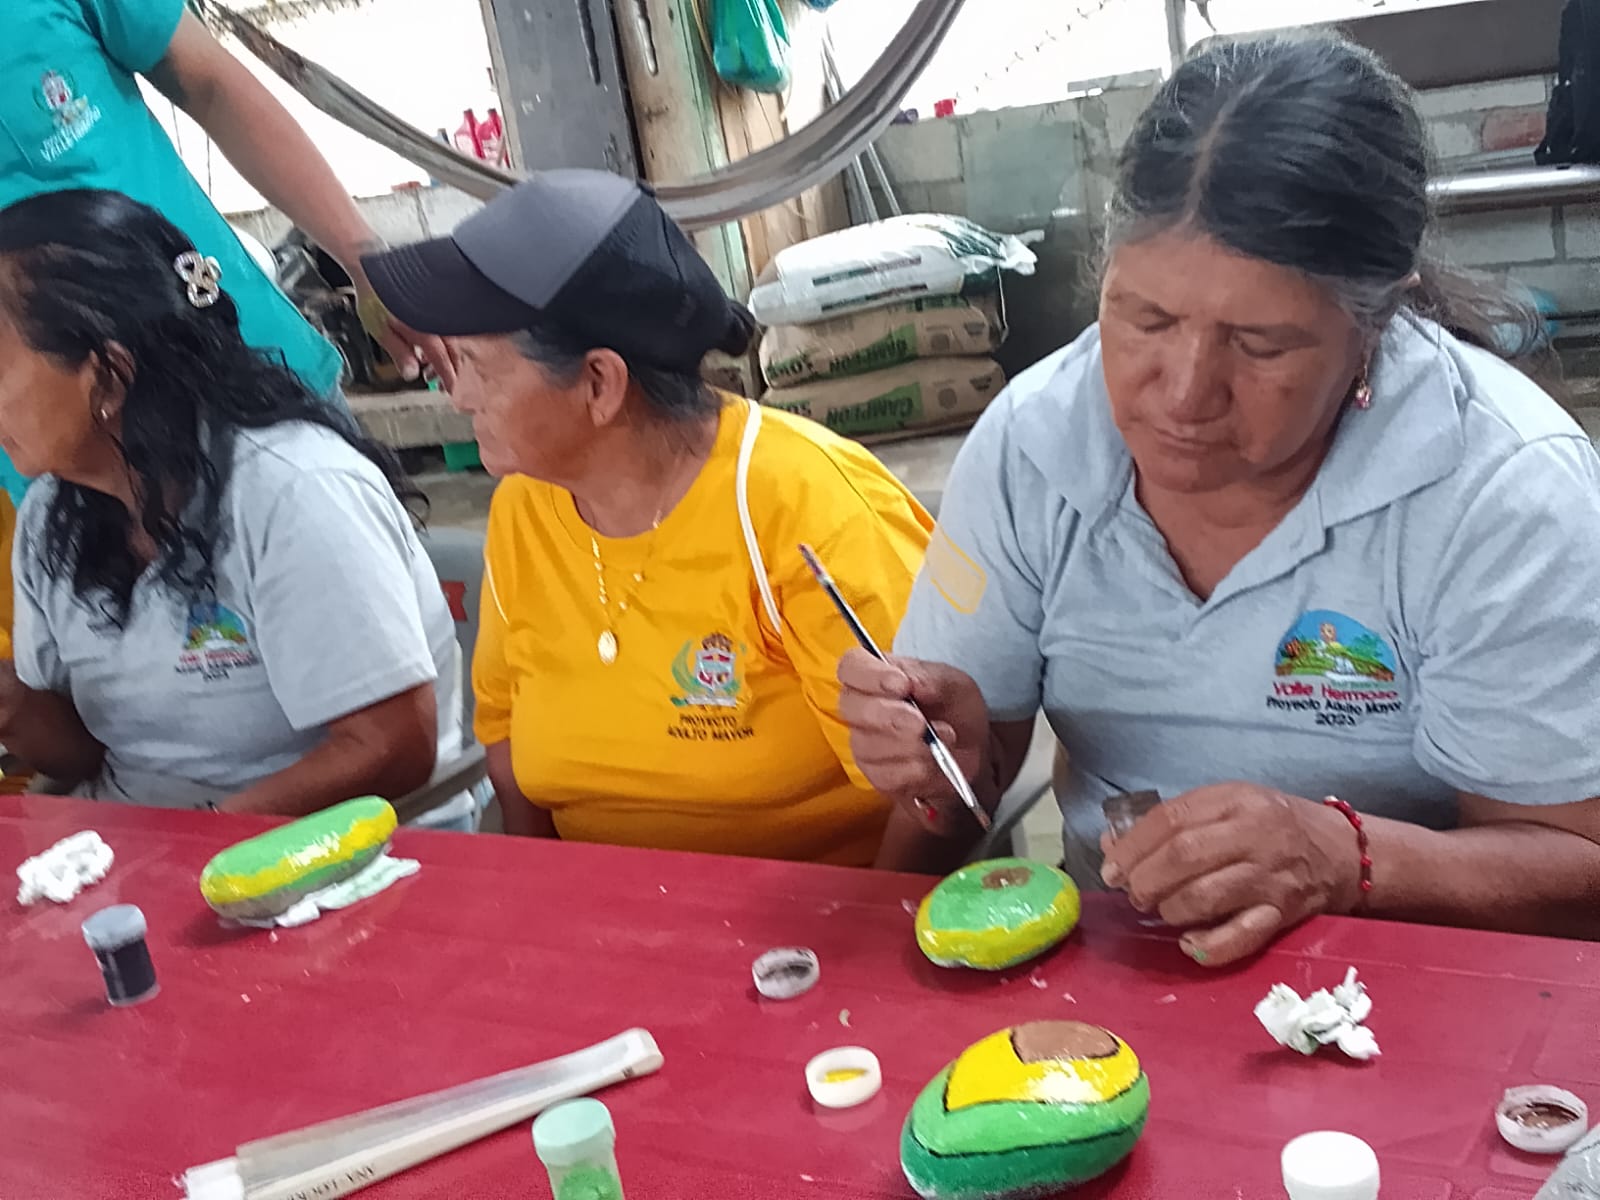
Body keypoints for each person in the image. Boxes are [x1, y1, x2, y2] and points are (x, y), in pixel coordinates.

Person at [839, 35, 1600, 960]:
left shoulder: (1498, 491)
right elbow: (963, 792)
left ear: (1374, 323)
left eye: (1261, 344)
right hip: (1116, 965)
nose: (1185, 393)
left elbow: (1575, 873)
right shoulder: (1035, 448)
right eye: (1145, 319)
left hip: (1408, 976)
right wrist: (941, 769)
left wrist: (1348, 859)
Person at [361, 169, 940, 868]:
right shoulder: (527, 504)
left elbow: (927, 786)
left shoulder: (805, 506)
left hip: (812, 914)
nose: (459, 397)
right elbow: (508, 737)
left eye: (477, 365)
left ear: (599, 383)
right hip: (600, 909)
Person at [0, 189, 473, 826]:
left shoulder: (295, 490)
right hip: (140, 844)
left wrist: (196, 844)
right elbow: (95, 751)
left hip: (323, 853)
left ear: (109, 375)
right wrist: (15, 708)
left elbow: (392, 746)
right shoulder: (50, 515)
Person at [1, 0, 452, 510]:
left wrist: (365, 259)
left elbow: (210, 84)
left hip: (251, 386)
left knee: (342, 538)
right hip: (70, 467)